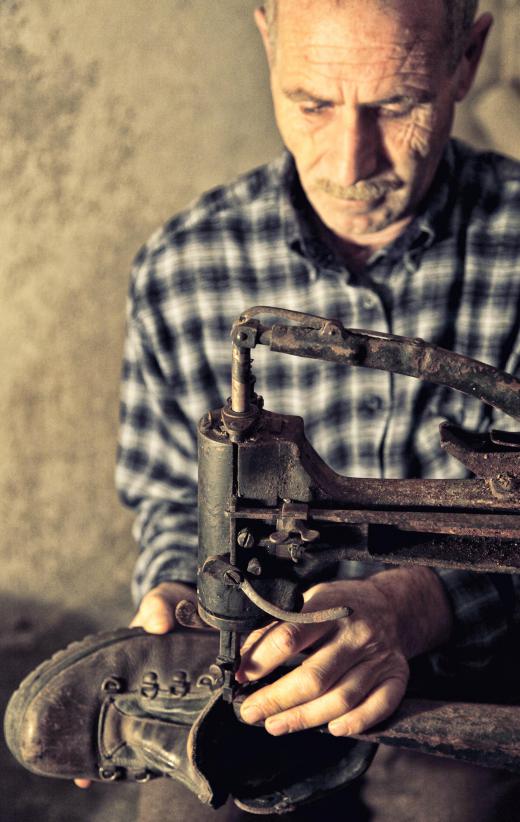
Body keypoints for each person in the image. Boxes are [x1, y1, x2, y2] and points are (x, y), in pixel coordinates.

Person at [103, 0, 520, 818]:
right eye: (312, 103)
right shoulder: (183, 265)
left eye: (395, 105)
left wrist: (411, 607)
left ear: (466, 59)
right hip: (261, 673)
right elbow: (166, 497)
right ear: (267, 41)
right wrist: (180, 593)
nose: (348, 159)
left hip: (478, 671)